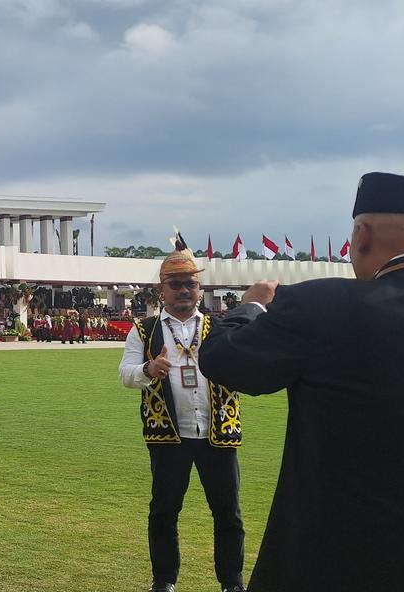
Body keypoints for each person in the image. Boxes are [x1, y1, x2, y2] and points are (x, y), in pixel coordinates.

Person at [199, 172, 404, 591]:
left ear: (361, 236)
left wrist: (250, 308)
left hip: (331, 564)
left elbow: (225, 362)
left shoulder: (320, 305)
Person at [119, 242, 245, 592]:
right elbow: (125, 374)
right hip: (168, 434)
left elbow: (246, 368)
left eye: (190, 283)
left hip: (218, 432)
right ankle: (164, 581)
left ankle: (232, 583)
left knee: (228, 513)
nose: (184, 290)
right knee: (164, 511)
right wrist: (149, 368)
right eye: (175, 284)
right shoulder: (144, 330)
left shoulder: (221, 327)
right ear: (161, 290)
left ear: (200, 288)